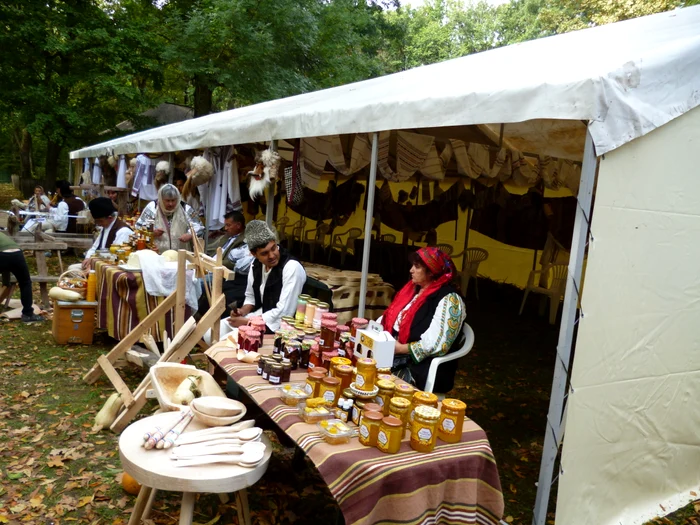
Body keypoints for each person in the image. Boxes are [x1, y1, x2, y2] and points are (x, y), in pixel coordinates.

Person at [380, 247, 467, 392]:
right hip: (395, 353)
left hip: (420, 366)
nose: (411, 270)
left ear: (432, 272)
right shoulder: (412, 290)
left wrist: (400, 348)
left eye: (417, 267)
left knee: (378, 380)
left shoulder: (450, 300)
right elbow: (391, 317)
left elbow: (437, 344)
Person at [225, 220, 306, 333]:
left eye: (274, 248)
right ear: (254, 254)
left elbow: (284, 312)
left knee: (231, 339)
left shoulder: (292, 267)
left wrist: (246, 322)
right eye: (264, 253)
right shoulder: (256, 265)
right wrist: (242, 311)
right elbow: (250, 297)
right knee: (212, 333)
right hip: (262, 315)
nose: (272, 256)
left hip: (283, 326)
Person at [198, 211, 253, 317]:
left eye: (228, 225)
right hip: (211, 266)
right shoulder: (227, 236)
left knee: (198, 283)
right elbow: (216, 250)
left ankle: (196, 312)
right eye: (225, 225)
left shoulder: (244, 241)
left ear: (238, 225)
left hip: (221, 271)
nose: (226, 228)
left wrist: (214, 264)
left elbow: (233, 263)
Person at [135, 183, 204, 253]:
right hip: (156, 255)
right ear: (161, 199)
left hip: (180, 256)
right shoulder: (152, 208)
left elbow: (199, 227)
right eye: (167, 201)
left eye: (173, 200)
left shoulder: (185, 208)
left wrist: (190, 234)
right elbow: (138, 227)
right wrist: (152, 232)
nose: (170, 204)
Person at [0, 232, 44, 323]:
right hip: (17, 254)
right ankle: (28, 314)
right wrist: (6, 282)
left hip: (2, 254)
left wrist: (5, 282)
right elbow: (7, 259)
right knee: (25, 283)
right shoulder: (2, 236)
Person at [82, 197, 133, 269]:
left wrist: (94, 263)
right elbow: (95, 247)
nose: (98, 224)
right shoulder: (106, 226)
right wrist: (87, 259)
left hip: (110, 268)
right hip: (98, 264)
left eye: (100, 221)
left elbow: (115, 257)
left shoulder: (123, 231)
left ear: (110, 217)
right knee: (73, 268)